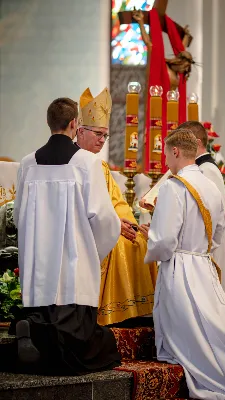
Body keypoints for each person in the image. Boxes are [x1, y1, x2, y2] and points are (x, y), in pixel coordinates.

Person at [144, 129, 225, 400]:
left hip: (180, 267)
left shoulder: (173, 186)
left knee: (191, 335)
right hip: (204, 266)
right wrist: (201, 251)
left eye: (166, 153)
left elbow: (164, 240)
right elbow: (221, 229)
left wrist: (150, 244)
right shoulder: (211, 184)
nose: (166, 160)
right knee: (213, 327)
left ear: (175, 151)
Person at [11, 97, 121, 375]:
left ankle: (32, 329)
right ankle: (49, 341)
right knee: (99, 349)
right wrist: (90, 253)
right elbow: (106, 219)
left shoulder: (27, 163)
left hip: (38, 272)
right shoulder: (86, 163)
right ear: (75, 124)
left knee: (44, 321)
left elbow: (18, 215)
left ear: (49, 123)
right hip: (73, 273)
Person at [76, 87, 157, 327]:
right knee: (118, 243)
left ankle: (135, 315)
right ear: (80, 131)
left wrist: (128, 222)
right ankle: (110, 313)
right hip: (90, 229)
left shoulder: (100, 166)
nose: (102, 140)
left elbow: (116, 200)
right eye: (98, 134)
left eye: (105, 135)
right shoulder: (73, 163)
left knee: (140, 239)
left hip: (110, 222)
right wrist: (115, 225)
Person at [141, 121, 225, 305]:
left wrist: (155, 236)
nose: (165, 161)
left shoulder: (203, 172)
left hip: (189, 267)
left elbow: (186, 225)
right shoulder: (203, 176)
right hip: (201, 262)